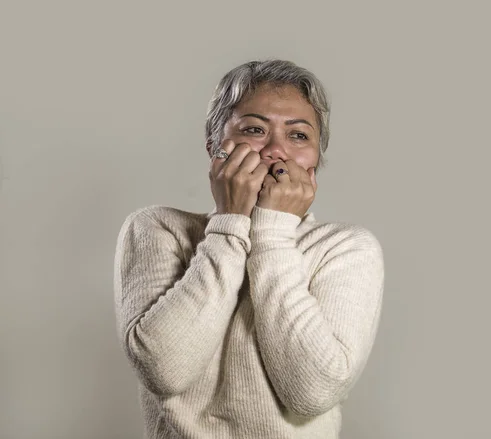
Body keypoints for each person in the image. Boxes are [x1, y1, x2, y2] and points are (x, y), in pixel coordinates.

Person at [113, 59, 385, 439]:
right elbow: (165, 371)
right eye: (254, 129)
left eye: (298, 136)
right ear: (214, 146)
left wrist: (273, 232)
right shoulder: (157, 228)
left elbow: (312, 393)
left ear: (315, 162)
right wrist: (229, 223)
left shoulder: (346, 248)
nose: (276, 150)